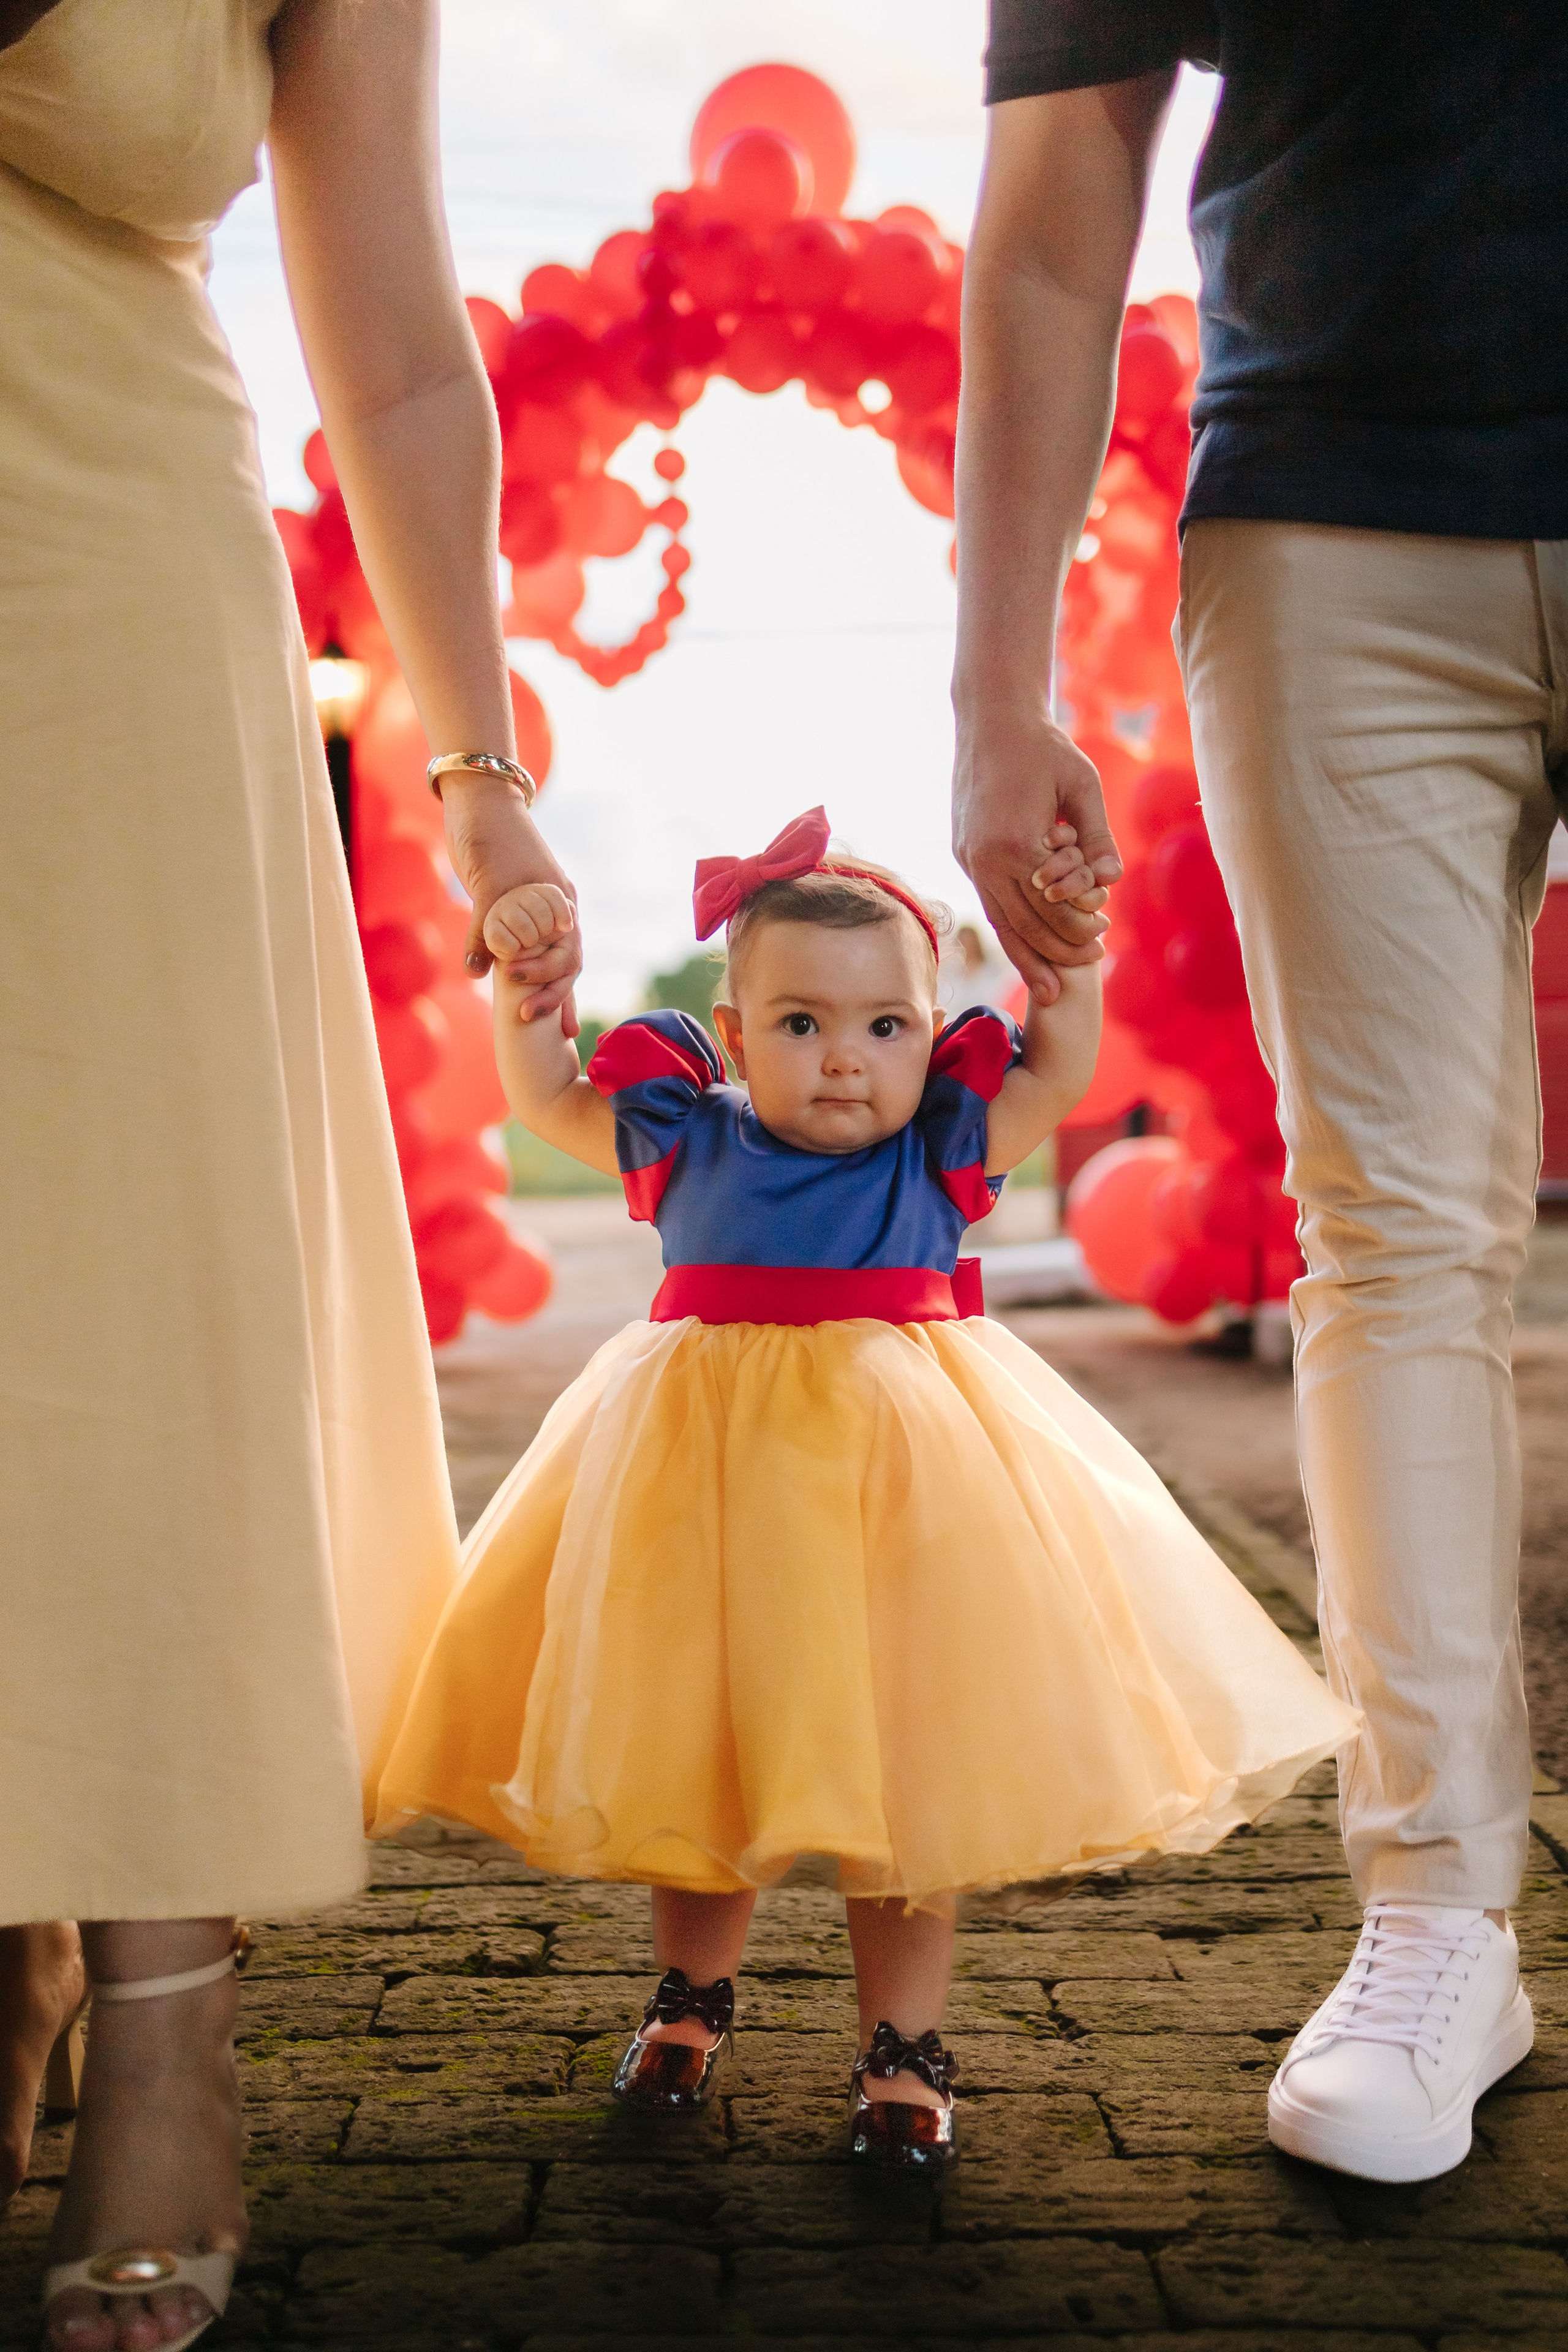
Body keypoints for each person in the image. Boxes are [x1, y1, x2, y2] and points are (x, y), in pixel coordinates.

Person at [0, 4, 578, 2345]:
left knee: (118, 1290)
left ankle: (161, 2000)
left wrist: (484, 771)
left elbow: (401, 352)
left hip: (93, 586)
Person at [952, 1, 1567, 2183]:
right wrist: (993, 680)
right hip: (1334, 529)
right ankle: (1438, 1913)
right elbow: (1053, 216)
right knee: (1395, 1234)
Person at [373, 805, 1354, 2171]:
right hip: (698, 1487)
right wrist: (531, 1002)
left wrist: (1066, 961)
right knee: (699, 1745)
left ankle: (902, 2043)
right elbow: (547, 1101)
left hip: (905, 1492)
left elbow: (1054, 1066)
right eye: (799, 1025)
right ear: (729, 1032)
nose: (845, 1056)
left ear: (930, 1024)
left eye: (885, 1026)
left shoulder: (937, 1147)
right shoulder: (687, 1139)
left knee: (907, 1766)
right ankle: (688, 1999)